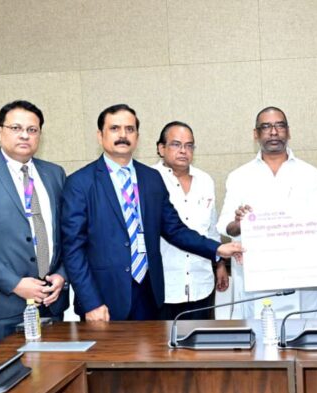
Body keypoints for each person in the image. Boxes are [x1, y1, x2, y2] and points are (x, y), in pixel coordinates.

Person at [61, 104, 242, 321]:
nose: (123, 135)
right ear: (100, 136)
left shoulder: (151, 178)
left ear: (137, 137)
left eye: (130, 129)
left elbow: (174, 229)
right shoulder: (80, 183)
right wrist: (91, 302)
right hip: (104, 299)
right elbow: (73, 249)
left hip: (149, 294)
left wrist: (217, 249)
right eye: (115, 128)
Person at [0, 100, 68, 347]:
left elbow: (66, 234)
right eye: (16, 128)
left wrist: (62, 275)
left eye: (32, 129)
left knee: (58, 369)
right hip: (2, 306)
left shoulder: (54, 173)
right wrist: (15, 284)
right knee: (7, 371)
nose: (25, 135)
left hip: (52, 303)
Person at [218, 106, 317, 320]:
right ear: (256, 134)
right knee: (259, 335)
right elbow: (225, 226)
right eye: (266, 126)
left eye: (280, 125)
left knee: (306, 334)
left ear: (288, 131)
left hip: (304, 277)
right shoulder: (239, 176)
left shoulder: (311, 175)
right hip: (257, 278)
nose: (274, 131)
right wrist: (238, 223)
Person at [152, 121, 229, 320]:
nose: (183, 151)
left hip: (201, 282)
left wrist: (219, 264)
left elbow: (211, 229)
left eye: (189, 145)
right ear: (161, 148)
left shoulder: (205, 180)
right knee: (163, 340)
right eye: (176, 144)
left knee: (201, 338)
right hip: (164, 287)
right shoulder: (149, 180)